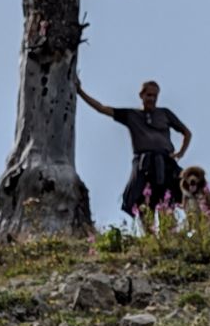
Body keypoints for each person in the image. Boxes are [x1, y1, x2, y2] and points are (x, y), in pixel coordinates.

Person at [76, 76, 192, 219]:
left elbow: (187, 133)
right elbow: (101, 108)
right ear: (141, 95)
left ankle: (170, 229)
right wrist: (80, 91)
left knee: (174, 195)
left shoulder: (165, 113)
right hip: (144, 164)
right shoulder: (131, 115)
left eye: (155, 96)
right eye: (149, 95)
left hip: (165, 162)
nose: (152, 99)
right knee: (141, 199)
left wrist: (180, 153)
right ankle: (148, 232)